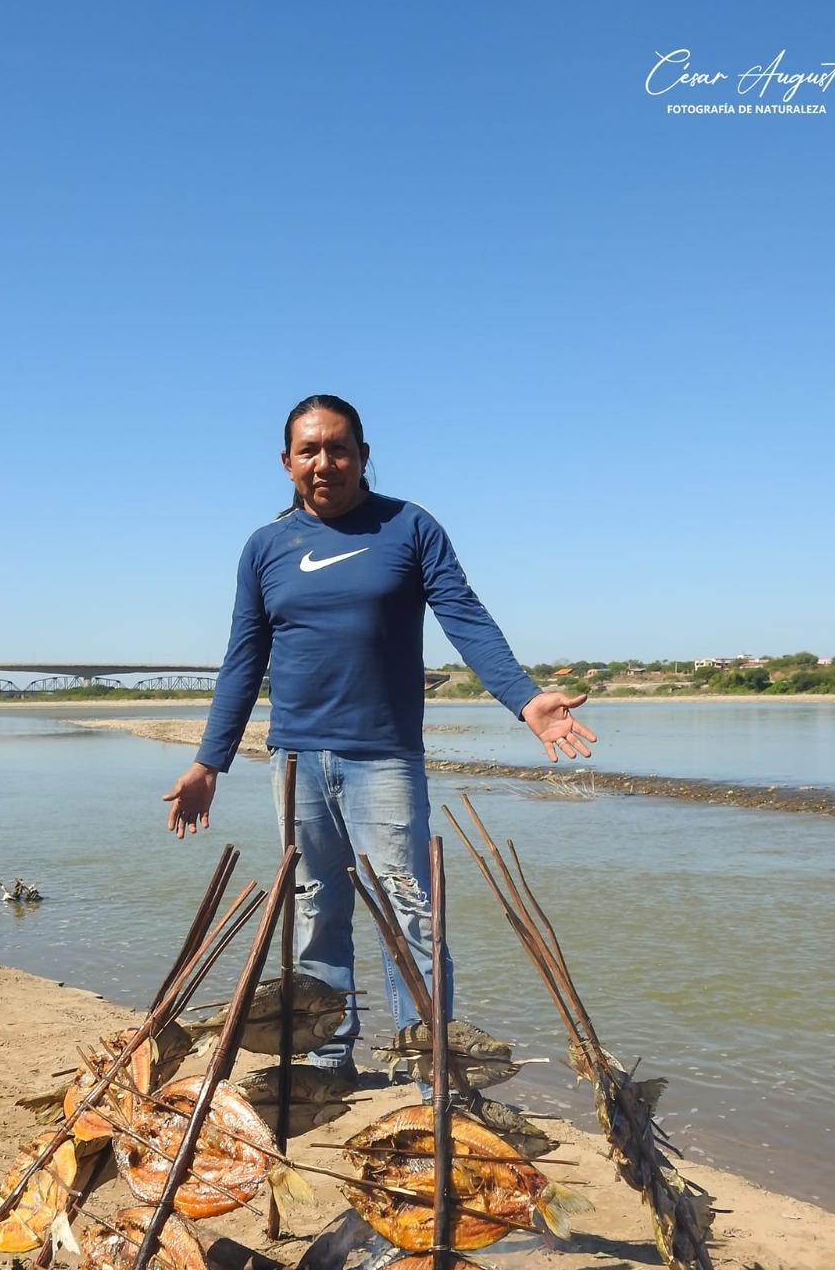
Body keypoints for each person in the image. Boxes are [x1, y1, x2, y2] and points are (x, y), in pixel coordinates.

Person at [164, 394, 595, 1078]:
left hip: (386, 758)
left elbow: (466, 617)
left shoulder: (409, 528)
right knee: (313, 911)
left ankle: (420, 1060)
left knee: (412, 911)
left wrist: (524, 699)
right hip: (298, 759)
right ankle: (328, 1056)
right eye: (309, 450)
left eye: (339, 448)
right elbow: (243, 657)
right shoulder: (265, 549)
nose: (324, 462)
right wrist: (208, 761)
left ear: (363, 456)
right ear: (286, 463)